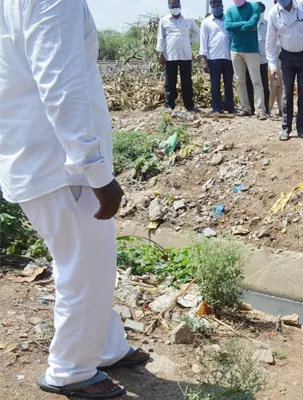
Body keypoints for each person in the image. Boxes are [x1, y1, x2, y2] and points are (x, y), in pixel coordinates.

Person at [0, 0, 151, 398]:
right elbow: (61, 85)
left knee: (92, 264)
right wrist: (96, 170)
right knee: (84, 270)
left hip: (38, 156)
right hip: (61, 166)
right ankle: (70, 370)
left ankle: (106, 346)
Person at [266, 0, 303, 141]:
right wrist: (272, 65)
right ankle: (286, 128)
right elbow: (270, 41)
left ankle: (302, 128)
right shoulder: (273, 13)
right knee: (287, 92)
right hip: (286, 57)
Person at [225, 0, 267, 119]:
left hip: (251, 50)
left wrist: (237, 26)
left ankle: (260, 110)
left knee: (256, 81)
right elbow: (228, 26)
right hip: (235, 50)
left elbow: (253, 24)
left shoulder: (254, 7)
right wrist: (244, 23)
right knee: (239, 81)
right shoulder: (230, 11)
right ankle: (245, 108)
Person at [157, 0, 200, 112]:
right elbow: (161, 38)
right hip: (170, 55)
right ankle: (169, 105)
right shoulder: (164, 20)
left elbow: (197, 31)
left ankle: (189, 105)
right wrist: (161, 53)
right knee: (170, 82)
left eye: (176, 5)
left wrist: (190, 41)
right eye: (172, 6)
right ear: (169, 6)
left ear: (180, 6)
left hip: (185, 55)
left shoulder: (187, 20)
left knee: (187, 81)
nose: (174, 7)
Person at [200, 0, 235, 114]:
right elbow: (203, 42)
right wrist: (204, 61)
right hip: (213, 58)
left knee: (228, 84)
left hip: (228, 57)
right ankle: (216, 108)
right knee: (215, 85)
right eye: (213, 6)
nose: (215, 7)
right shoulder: (206, 22)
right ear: (211, 7)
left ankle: (230, 107)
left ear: (222, 6)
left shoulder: (229, 20)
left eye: (217, 5)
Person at [245, 2, 271, 116]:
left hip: (262, 60)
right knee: (249, 83)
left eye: (261, 10)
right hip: (249, 58)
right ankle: (250, 108)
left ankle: (265, 109)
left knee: (264, 84)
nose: (259, 13)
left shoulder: (268, 25)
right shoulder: (249, 23)